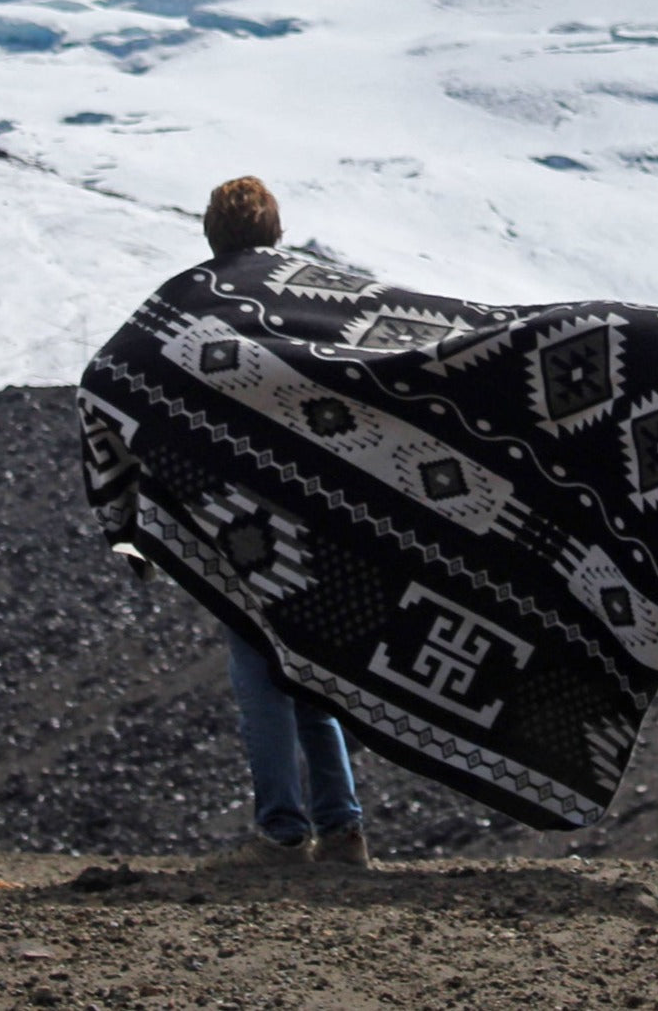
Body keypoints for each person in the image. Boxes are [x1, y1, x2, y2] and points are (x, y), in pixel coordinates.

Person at [199, 176, 369, 868]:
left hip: (244, 525)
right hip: (319, 518)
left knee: (258, 679)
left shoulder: (198, 307)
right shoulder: (315, 297)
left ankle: (281, 832)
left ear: (211, 233)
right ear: (275, 230)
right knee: (313, 679)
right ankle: (343, 830)